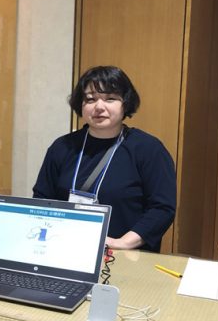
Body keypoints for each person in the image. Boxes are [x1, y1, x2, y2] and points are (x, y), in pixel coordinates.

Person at [33, 65, 176, 252]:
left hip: (125, 255)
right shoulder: (62, 147)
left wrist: (122, 243)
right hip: (66, 251)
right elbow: (42, 199)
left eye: (110, 98)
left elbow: (162, 208)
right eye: (90, 99)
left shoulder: (148, 149)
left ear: (125, 103)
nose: (99, 107)